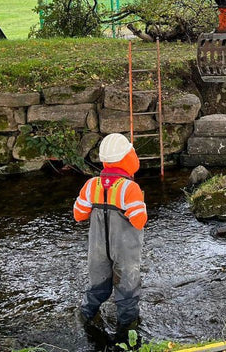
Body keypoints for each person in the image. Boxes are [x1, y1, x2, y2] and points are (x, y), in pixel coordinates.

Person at [74, 133, 148, 335]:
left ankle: (85, 318)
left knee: (97, 286)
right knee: (127, 291)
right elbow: (139, 220)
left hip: (97, 250)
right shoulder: (130, 188)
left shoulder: (91, 185)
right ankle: (127, 332)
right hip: (124, 251)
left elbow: (78, 215)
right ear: (127, 158)